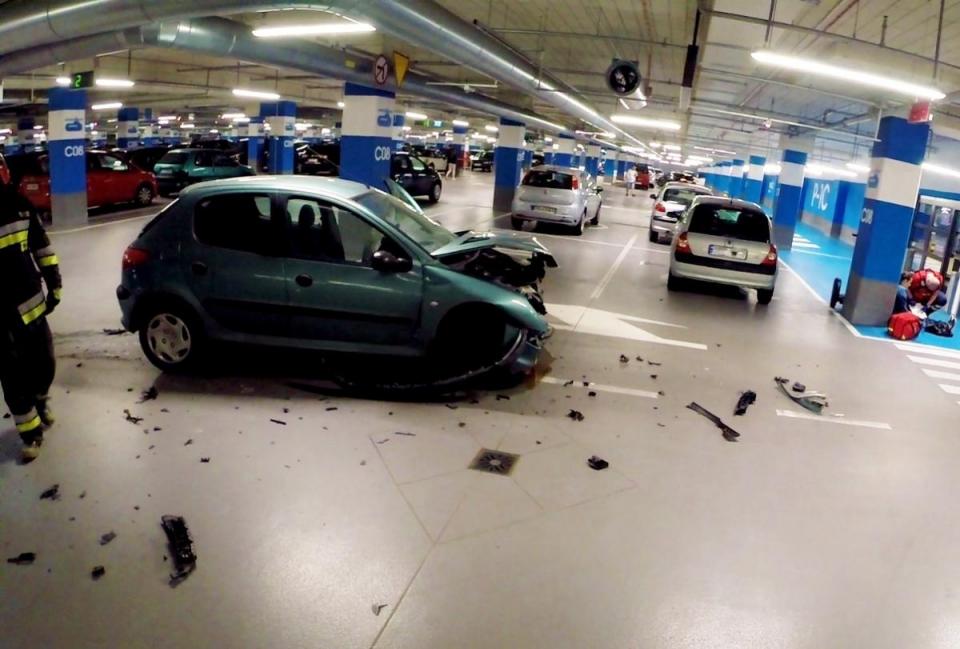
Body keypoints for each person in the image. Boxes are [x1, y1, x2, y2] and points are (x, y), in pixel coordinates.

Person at [0, 178, 61, 463]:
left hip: (31, 303)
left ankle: (40, 399)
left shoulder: (20, 206)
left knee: (44, 364)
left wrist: (54, 283)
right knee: (11, 377)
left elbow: (42, 248)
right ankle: (31, 434)